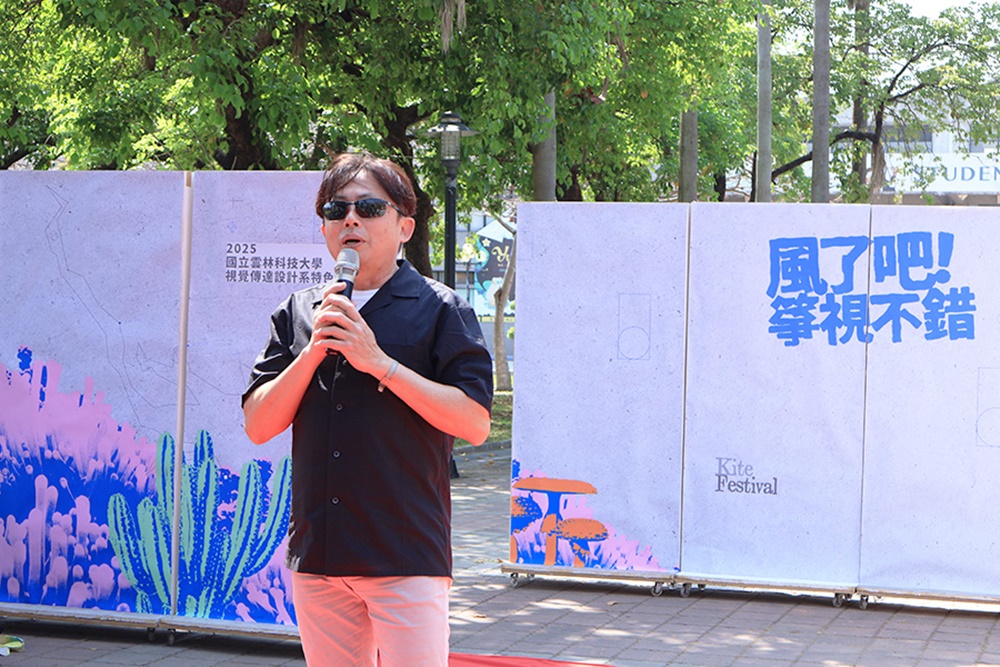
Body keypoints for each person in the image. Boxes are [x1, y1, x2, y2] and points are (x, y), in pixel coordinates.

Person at [242, 152, 493, 667]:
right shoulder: (300, 311)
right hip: (319, 555)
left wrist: (378, 363)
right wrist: (312, 353)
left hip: (404, 554)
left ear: (404, 226)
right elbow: (259, 424)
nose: (350, 219)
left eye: (369, 207)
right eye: (337, 210)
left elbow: (474, 422)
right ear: (324, 229)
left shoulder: (442, 309)